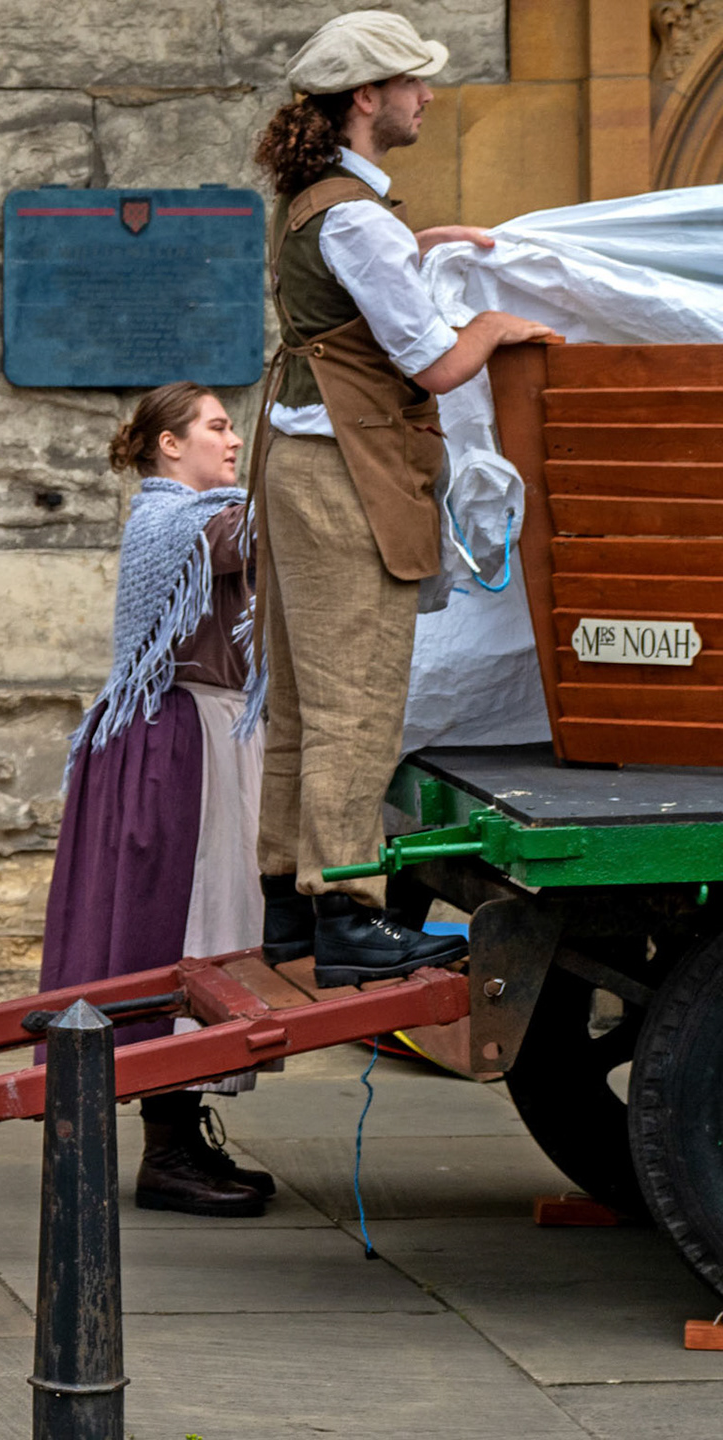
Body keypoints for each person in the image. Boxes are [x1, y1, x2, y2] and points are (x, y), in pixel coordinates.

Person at [250, 10, 555, 986]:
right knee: (359, 697)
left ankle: (288, 909)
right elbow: (428, 362)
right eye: (413, 83)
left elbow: (353, 301)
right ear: (366, 98)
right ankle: (346, 912)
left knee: (303, 695)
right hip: (346, 473)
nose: (428, 97)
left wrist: (420, 247)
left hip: (297, 465)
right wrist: (499, 326)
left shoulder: (317, 202)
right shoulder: (355, 217)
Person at [40, 383, 274, 1218]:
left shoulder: (198, 516)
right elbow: (268, 533)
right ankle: (168, 1150)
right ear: (169, 445)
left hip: (195, 733)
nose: (235, 439)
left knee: (197, 925)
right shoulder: (178, 520)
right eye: (218, 426)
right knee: (185, 929)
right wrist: (310, 457)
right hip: (180, 744)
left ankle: (178, 1136)